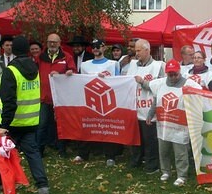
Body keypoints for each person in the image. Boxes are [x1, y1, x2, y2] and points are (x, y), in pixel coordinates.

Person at [0, 36, 50, 194]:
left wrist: (3, 126)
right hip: (30, 121)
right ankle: (43, 188)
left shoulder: (10, 71)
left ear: (14, 50)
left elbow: (9, 101)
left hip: (11, 123)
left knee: (1, 152)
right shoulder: (34, 67)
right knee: (33, 154)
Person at [145, 59, 202, 186]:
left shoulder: (189, 84)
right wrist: (150, 114)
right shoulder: (160, 84)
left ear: (179, 71)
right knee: (163, 149)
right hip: (164, 123)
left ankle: (182, 175)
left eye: (175, 74)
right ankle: (165, 171)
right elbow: (156, 100)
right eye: (170, 74)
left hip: (180, 124)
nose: (172, 77)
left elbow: (199, 97)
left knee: (180, 151)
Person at [76, 38, 122, 166]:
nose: (95, 48)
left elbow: (119, 82)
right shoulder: (85, 65)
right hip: (89, 100)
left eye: (98, 46)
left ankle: (110, 156)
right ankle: (83, 153)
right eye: (93, 46)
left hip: (107, 101)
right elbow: (80, 81)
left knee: (108, 127)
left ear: (104, 48)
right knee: (87, 127)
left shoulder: (113, 64)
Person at [128, 38, 165, 173]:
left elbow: (161, 87)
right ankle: (136, 160)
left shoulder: (159, 66)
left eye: (138, 50)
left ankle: (152, 165)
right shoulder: (132, 65)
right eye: (135, 50)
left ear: (147, 50)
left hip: (150, 109)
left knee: (150, 140)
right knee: (137, 139)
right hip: (136, 107)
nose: (136, 53)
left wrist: (143, 82)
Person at [36, 33, 76, 158]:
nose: (52, 44)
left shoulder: (67, 57)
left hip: (60, 99)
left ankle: (62, 150)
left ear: (59, 43)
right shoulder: (40, 58)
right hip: (43, 98)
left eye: (54, 42)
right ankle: (39, 150)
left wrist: (67, 72)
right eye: (50, 42)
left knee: (61, 125)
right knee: (42, 124)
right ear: (46, 43)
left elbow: (73, 71)